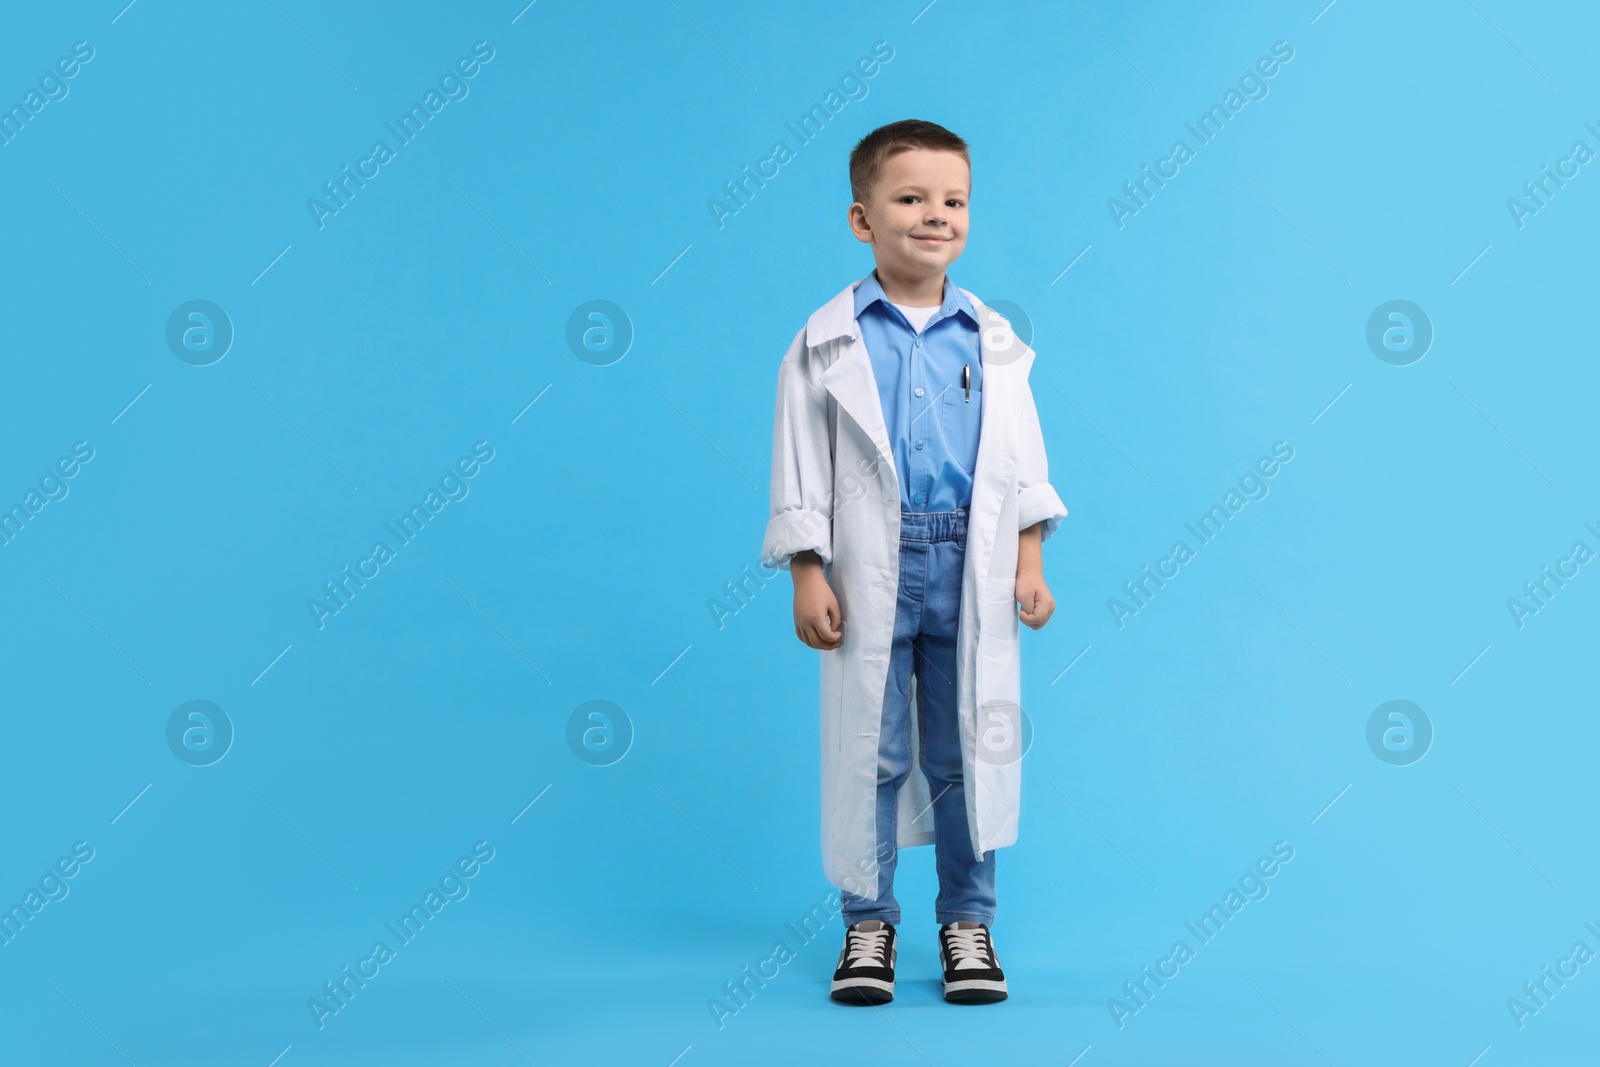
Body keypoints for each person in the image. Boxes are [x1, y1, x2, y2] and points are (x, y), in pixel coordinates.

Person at [761, 119, 1068, 1006]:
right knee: (873, 746)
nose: (935, 215)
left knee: (969, 745)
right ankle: (869, 923)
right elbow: (799, 460)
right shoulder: (825, 340)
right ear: (863, 219)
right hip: (870, 562)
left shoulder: (994, 339)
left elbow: (1023, 462)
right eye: (910, 199)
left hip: (967, 559)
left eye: (953, 200)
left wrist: (1029, 560)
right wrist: (807, 568)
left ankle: (968, 922)